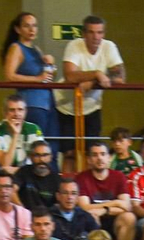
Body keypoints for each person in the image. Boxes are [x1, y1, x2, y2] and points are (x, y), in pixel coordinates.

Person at [58, 15, 124, 148]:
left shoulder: (109, 46)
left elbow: (120, 77)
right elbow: (70, 76)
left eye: (99, 32)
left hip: (92, 107)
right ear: (84, 34)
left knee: (92, 150)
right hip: (65, 106)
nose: (96, 37)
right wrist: (97, 74)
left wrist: (93, 83)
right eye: (91, 32)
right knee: (69, 152)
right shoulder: (74, 45)